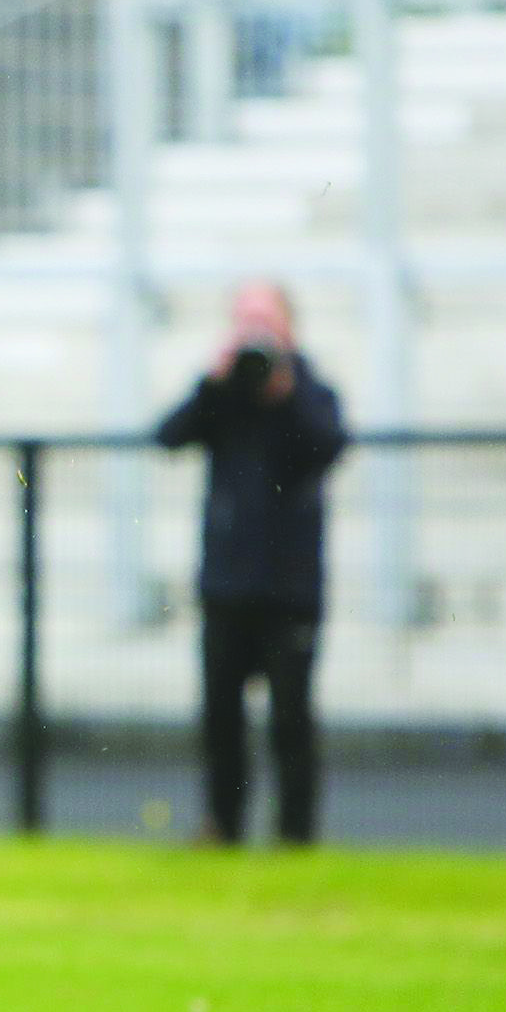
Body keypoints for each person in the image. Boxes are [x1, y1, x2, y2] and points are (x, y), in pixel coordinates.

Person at [156, 282, 348, 847]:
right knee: (221, 719)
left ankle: (295, 833)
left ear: (290, 325)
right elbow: (168, 436)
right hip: (227, 584)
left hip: (289, 587)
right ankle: (223, 824)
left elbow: (328, 446)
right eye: (244, 318)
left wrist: (287, 391)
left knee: (291, 719)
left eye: (264, 318)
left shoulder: (309, 390)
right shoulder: (224, 394)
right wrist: (213, 383)